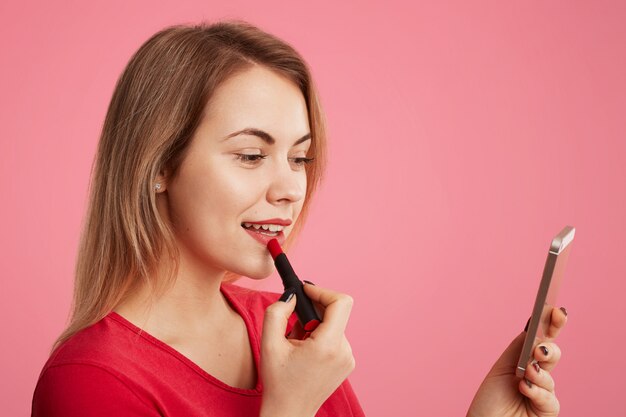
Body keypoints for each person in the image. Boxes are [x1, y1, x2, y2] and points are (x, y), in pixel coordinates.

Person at [31, 21, 567, 417]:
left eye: (300, 158)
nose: (290, 189)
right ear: (159, 165)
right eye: (249, 155)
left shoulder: (291, 332)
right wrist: (288, 409)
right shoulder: (91, 381)